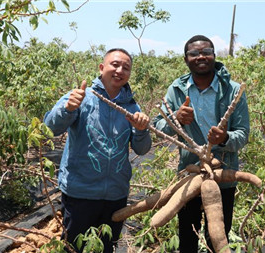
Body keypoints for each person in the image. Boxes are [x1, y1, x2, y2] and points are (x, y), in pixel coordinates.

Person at [44, 48, 152, 253]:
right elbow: (50, 128)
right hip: (80, 194)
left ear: (129, 74)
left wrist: (141, 131)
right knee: (74, 248)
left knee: (106, 248)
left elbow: (142, 149)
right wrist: (67, 109)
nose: (120, 70)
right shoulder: (81, 98)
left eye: (126, 68)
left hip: (115, 195)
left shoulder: (133, 108)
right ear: (102, 68)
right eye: (115, 64)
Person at [153, 35, 250, 252]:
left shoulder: (233, 90)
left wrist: (224, 139)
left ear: (214, 56)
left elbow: (243, 135)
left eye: (206, 52)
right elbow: (158, 127)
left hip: (222, 175)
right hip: (189, 177)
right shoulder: (177, 90)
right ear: (186, 59)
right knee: (187, 238)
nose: (201, 57)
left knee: (219, 238)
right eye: (194, 53)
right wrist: (175, 118)